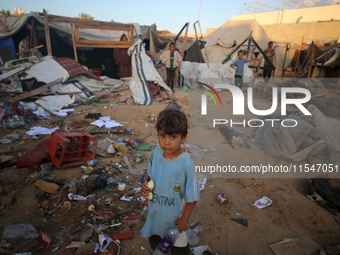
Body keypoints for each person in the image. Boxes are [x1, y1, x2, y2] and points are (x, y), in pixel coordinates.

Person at [141, 108, 200, 255]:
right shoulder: (155, 154)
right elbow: (148, 176)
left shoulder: (186, 165)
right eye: (162, 136)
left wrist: (184, 219)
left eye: (173, 137)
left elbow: (192, 197)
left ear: (183, 137)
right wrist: (145, 185)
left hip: (175, 223)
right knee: (157, 245)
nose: (166, 142)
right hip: (156, 216)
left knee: (179, 250)